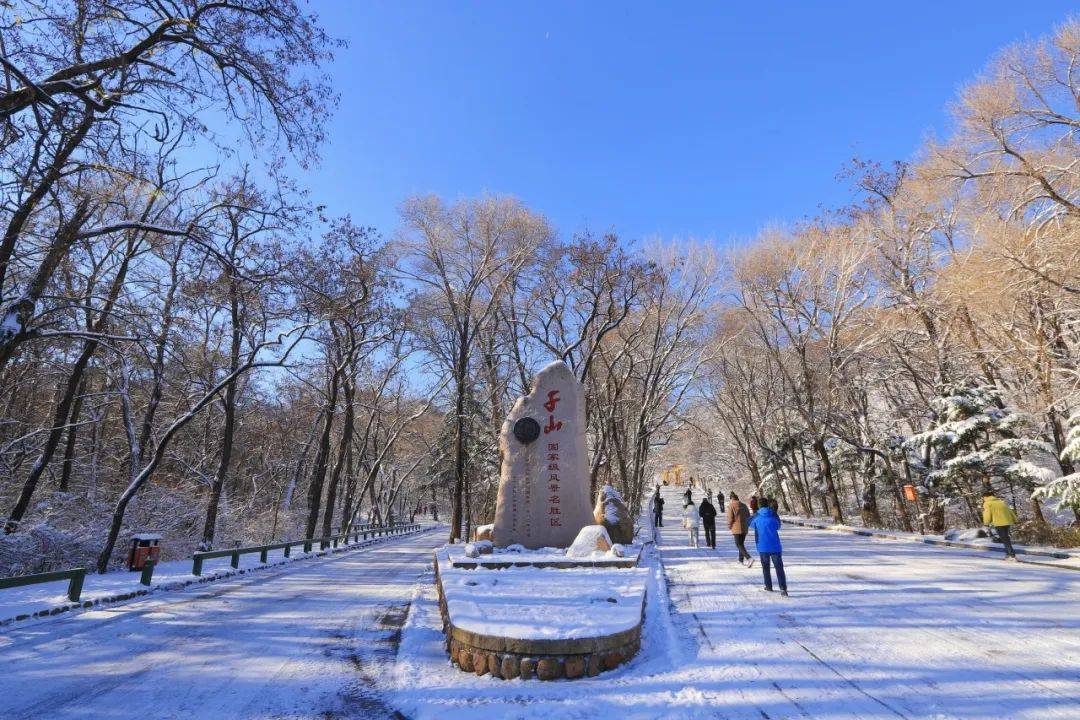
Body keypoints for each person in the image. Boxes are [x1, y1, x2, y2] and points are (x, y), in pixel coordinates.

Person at [748, 501, 788, 595]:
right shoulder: (773, 515)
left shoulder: (756, 516)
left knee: (765, 567)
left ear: (759, 505)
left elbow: (749, 523)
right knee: (779, 568)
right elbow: (778, 526)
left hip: (762, 546)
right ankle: (783, 588)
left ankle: (768, 586)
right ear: (768, 504)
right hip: (775, 546)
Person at [983, 488, 1018, 560]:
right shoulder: (1001, 501)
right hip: (1007, 522)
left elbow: (987, 513)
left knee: (1005, 539)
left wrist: (986, 523)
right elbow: (1010, 511)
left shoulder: (987, 503)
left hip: (999, 523)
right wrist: (1015, 519)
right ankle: (1008, 554)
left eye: (983, 497)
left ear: (986, 497)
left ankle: (1012, 555)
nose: (983, 499)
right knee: (1005, 538)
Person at [726, 492, 753, 566]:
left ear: (732, 499)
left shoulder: (731, 506)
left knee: (738, 544)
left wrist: (729, 525)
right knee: (741, 544)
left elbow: (730, 517)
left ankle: (749, 558)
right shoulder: (744, 505)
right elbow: (748, 516)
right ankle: (740, 560)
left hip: (736, 527)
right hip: (744, 527)